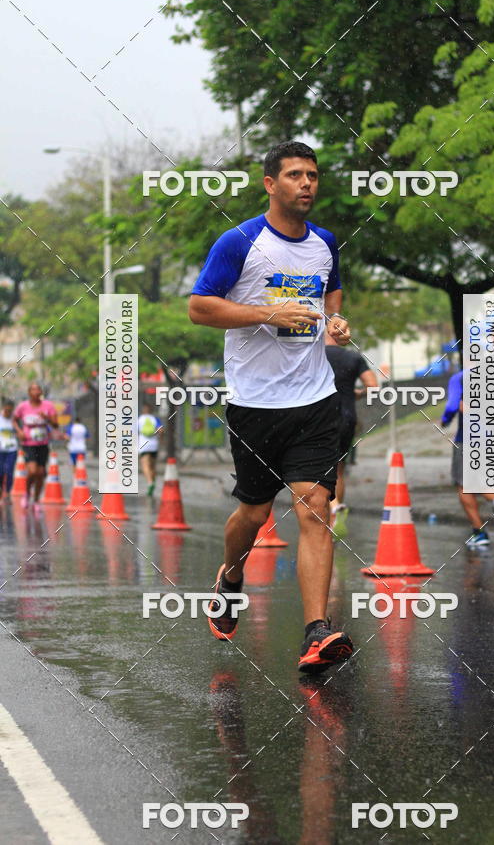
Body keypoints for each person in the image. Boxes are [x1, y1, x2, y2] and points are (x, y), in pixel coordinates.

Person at [189, 140, 354, 671]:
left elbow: (331, 291)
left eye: (312, 175)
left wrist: (335, 323)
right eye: (294, 175)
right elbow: (200, 308)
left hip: (315, 398)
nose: (306, 184)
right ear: (269, 184)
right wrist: (268, 314)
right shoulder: (239, 242)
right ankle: (231, 577)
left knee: (315, 505)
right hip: (255, 403)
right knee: (255, 513)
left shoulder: (325, 243)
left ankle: (316, 632)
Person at [442, 369, 494, 547]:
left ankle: (479, 532)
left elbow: (451, 406)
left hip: (467, 440)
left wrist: (445, 419)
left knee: (463, 485)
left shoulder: (459, 378)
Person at [325, 332, 378, 537]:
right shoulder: (353, 357)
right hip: (347, 418)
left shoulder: (313, 355)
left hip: (319, 416)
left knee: (318, 467)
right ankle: (335, 517)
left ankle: (332, 508)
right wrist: (357, 393)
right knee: (338, 470)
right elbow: (373, 386)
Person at [13, 383, 59, 514]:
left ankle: (36, 500)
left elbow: (56, 425)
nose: (36, 391)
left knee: (41, 473)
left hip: (43, 444)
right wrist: (19, 431)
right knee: (32, 471)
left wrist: (47, 418)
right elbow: (14, 420)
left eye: (38, 389)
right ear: (29, 392)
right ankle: (27, 493)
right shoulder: (23, 406)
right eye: (33, 389)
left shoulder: (48, 406)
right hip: (28, 443)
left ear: (41, 392)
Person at [138, 403, 163, 496]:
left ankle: (150, 483)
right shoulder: (155, 419)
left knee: (145, 465)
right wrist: (160, 439)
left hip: (143, 445)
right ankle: (152, 481)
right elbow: (161, 430)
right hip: (154, 445)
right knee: (152, 466)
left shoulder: (139, 419)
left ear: (143, 410)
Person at [0, 399, 18, 498]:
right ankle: (1, 491)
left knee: (9, 471)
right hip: (1, 450)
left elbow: (20, 433)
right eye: (6, 410)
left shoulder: (15, 419)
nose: (8, 413)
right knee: (1, 472)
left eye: (10, 411)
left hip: (12, 450)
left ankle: (7, 492)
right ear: (3, 408)